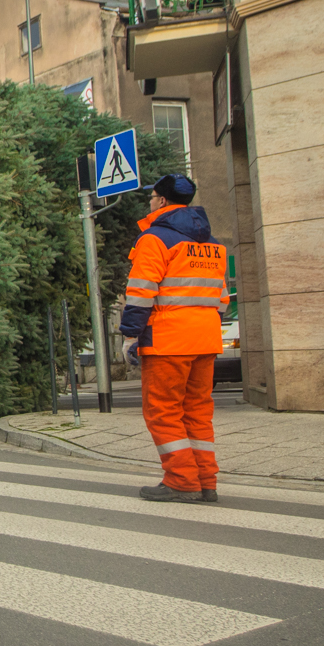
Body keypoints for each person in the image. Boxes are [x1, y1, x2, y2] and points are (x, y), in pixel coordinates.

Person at [118, 173, 228, 503]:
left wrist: (130, 336)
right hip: (205, 340)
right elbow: (221, 298)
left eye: (152, 197)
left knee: (163, 412)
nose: (150, 202)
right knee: (197, 412)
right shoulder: (213, 246)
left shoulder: (154, 240)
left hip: (167, 341)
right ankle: (205, 481)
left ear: (162, 201)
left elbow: (140, 294)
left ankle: (181, 480)